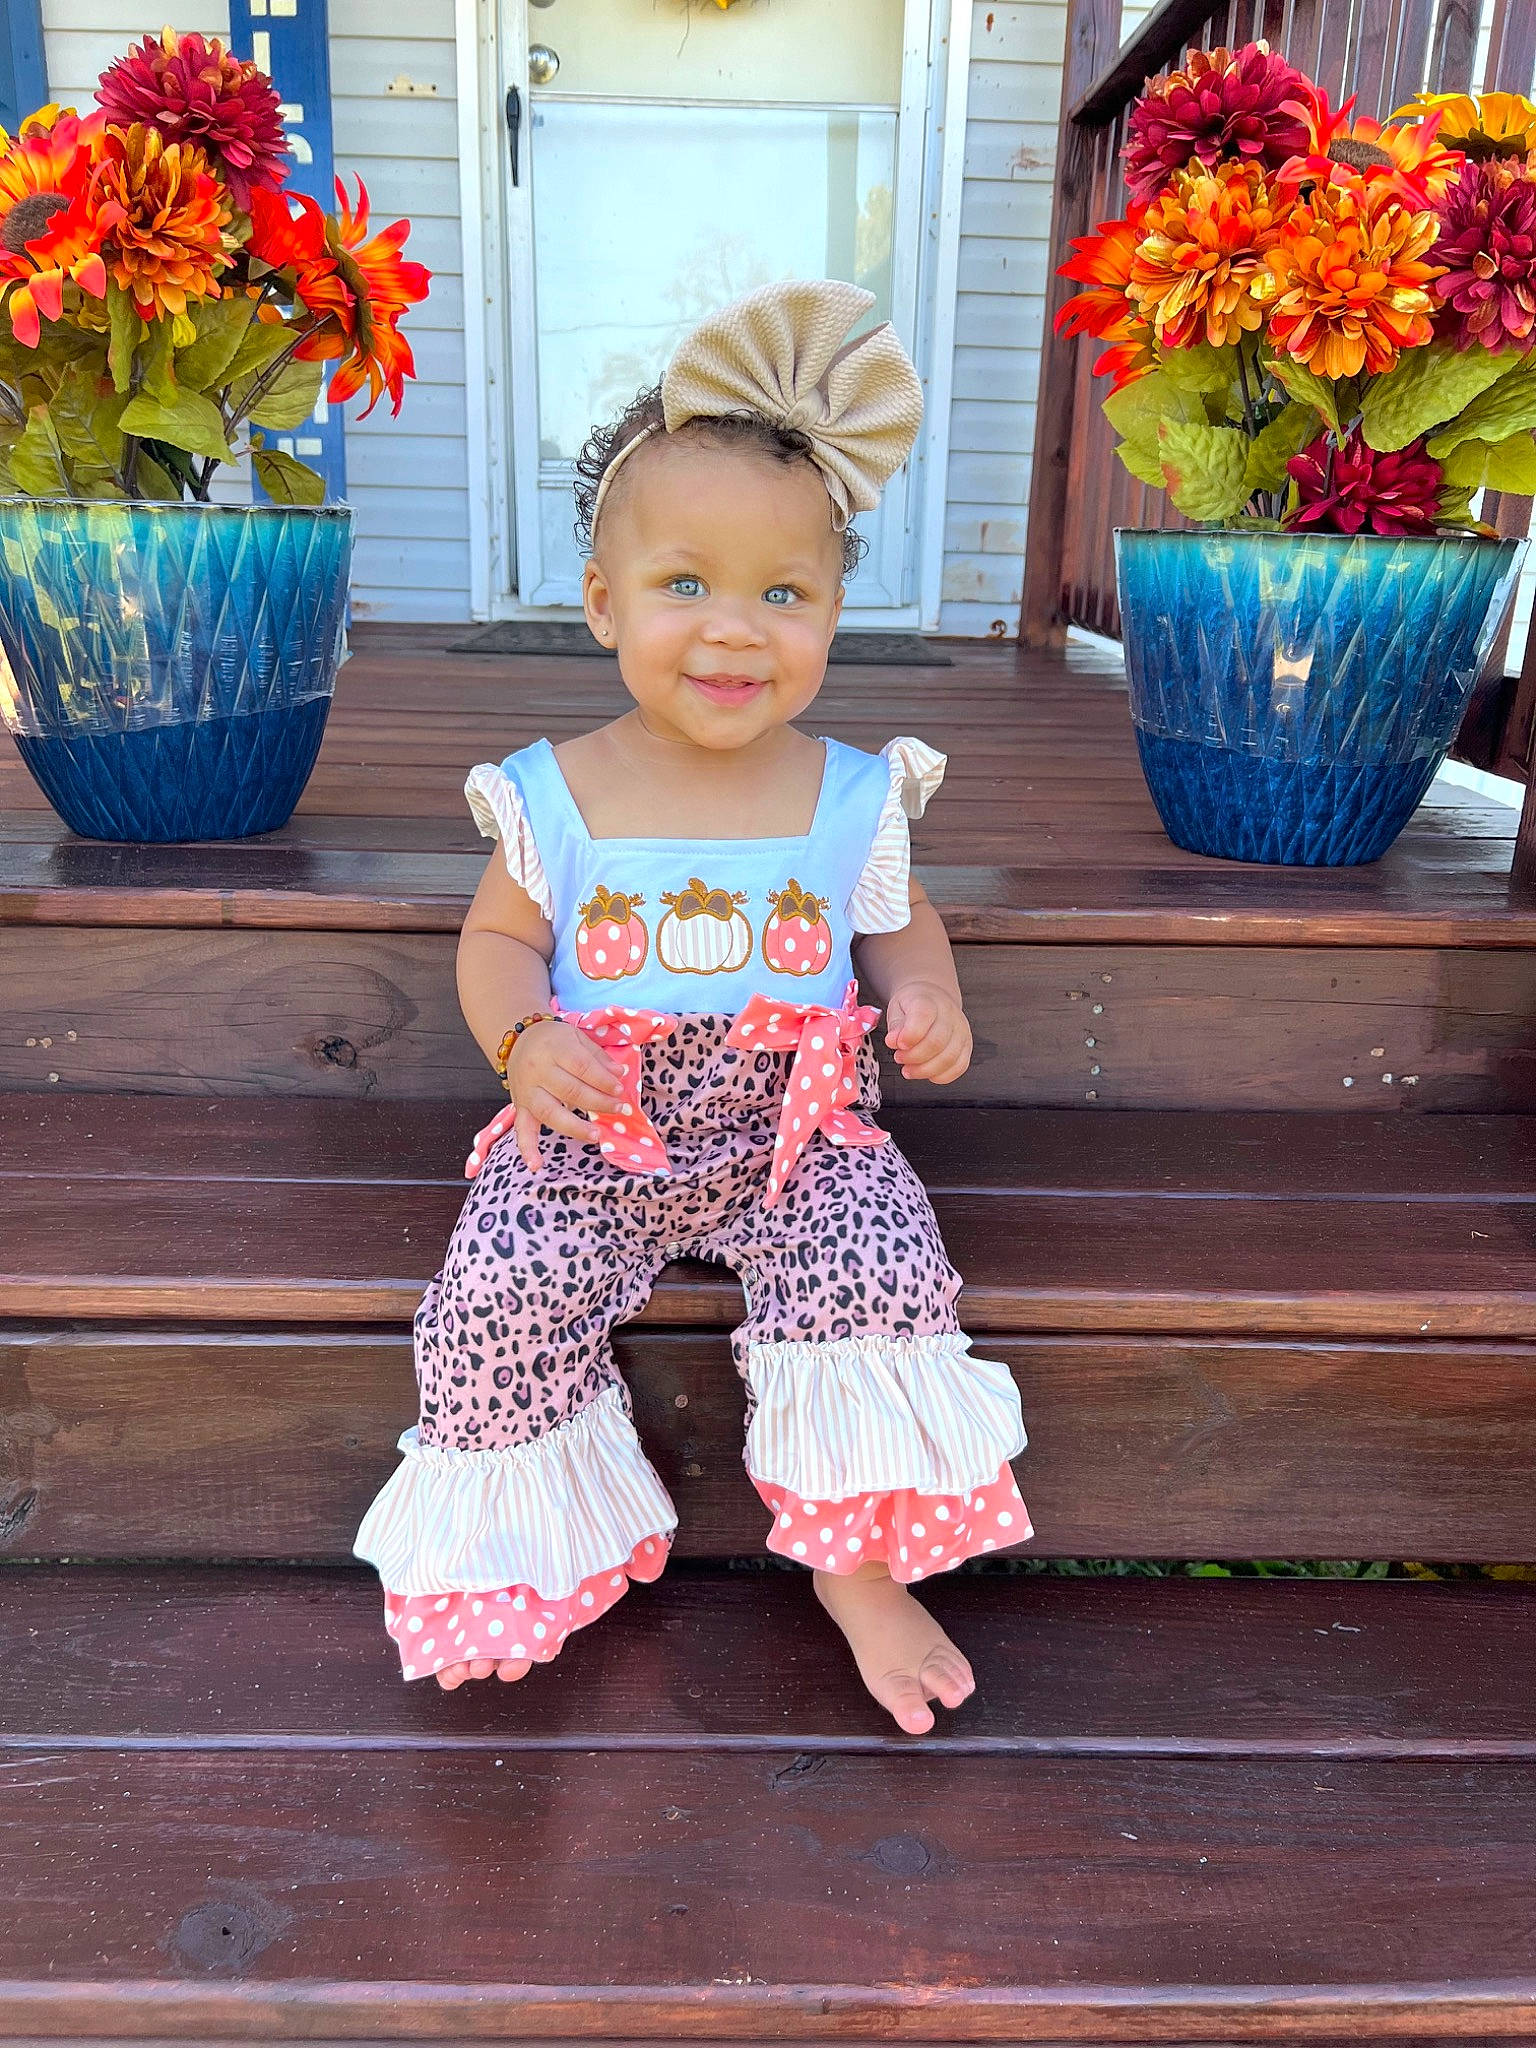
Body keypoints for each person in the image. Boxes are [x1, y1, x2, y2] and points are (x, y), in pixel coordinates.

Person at [354, 277, 1031, 1736]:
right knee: (498, 1294)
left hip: (801, 1131)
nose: (735, 633)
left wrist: (924, 997)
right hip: (601, 1129)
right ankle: (531, 1558)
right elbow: (496, 946)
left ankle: (854, 1568)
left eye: (783, 595)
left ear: (836, 614)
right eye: (686, 586)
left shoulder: (854, 794)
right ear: (603, 604)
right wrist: (526, 1038)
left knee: (881, 1264)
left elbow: (900, 928)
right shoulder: (554, 790)